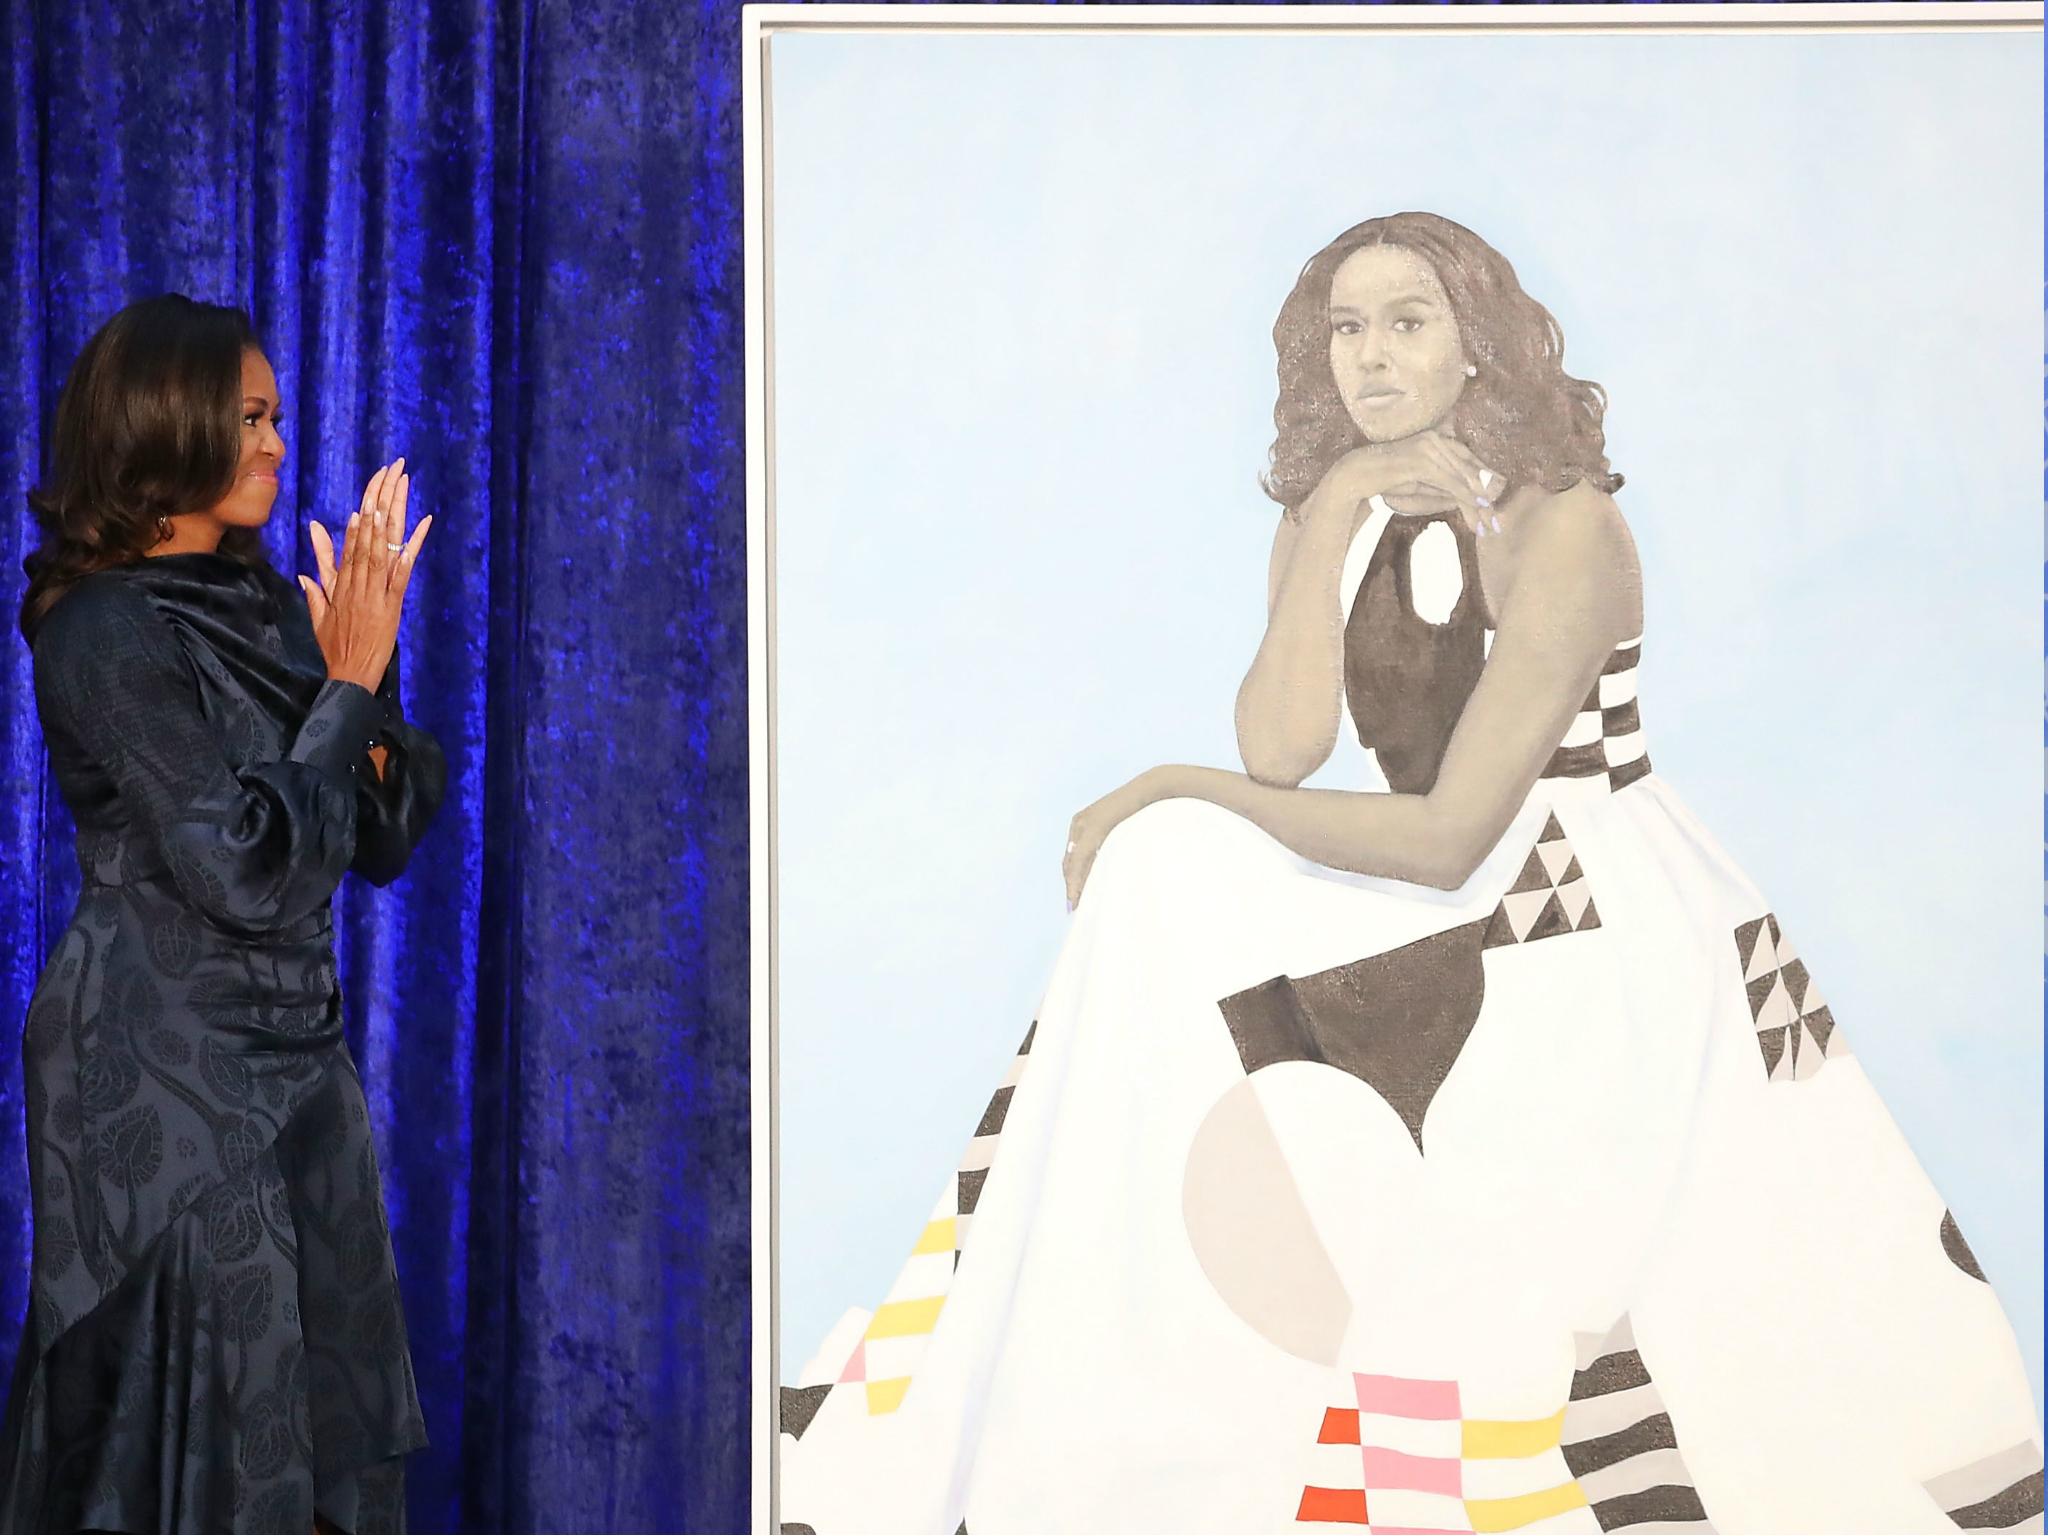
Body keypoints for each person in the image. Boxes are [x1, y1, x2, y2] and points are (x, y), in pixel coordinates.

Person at [777, 213, 2043, 1534]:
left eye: (1408, 320)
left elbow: (1453, 833)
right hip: (1428, 887)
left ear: (1480, 341)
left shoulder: (1566, 525)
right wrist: (1328, 517)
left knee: (1177, 839)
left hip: (1578, 904)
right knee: (1163, 871)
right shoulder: (1348, 508)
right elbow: (1280, 750)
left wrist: (1165, 783)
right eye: (1345, 326)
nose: (1370, 355)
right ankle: (1095, 1358)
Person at [0, 294, 444, 1533]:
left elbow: (387, 834)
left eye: (275, 418)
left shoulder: (263, 608)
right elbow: (243, 867)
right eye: (249, 417)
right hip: (167, 1100)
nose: (273, 445)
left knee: (318, 1460)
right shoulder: (96, 630)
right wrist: (345, 681)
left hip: (299, 1086)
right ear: (169, 419)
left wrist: (364, 672)